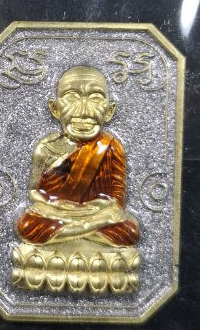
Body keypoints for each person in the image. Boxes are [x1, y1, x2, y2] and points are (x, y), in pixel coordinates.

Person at [16, 65, 139, 247]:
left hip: (97, 215)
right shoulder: (46, 148)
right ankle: (85, 232)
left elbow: (118, 200)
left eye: (95, 98)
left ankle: (72, 233)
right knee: (27, 225)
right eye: (71, 97)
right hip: (57, 214)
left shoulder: (111, 147)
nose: (84, 110)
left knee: (129, 230)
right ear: (55, 109)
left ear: (109, 111)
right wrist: (56, 206)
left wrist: (101, 207)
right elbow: (34, 192)